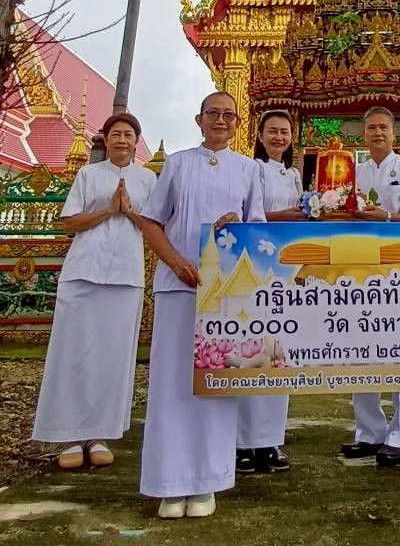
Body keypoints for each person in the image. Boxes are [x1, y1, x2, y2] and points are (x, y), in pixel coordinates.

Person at [139, 92, 265, 520]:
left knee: (215, 384)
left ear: (237, 122)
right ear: (199, 119)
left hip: (226, 292)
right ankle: (169, 483)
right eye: (213, 113)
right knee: (173, 384)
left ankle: (208, 479)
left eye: (229, 115)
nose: (221, 121)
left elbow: (260, 232)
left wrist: (239, 226)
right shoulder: (177, 163)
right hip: (179, 285)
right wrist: (175, 262)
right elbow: (152, 222)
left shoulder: (249, 169)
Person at [32, 112, 155, 470]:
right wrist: (107, 210)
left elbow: (153, 226)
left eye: (128, 135)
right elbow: (70, 223)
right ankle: (69, 435)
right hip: (83, 272)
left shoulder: (147, 179)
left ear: (136, 142)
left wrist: (129, 211)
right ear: (105, 139)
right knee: (73, 353)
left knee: (112, 357)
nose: (122, 141)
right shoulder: (88, 175)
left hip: (125, 276)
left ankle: (99, 433)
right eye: (115, 134)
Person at [340, 105, 400, 468]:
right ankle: (369, 431)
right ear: (363, 134)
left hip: (398, 266)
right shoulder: (352, 172)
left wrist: (387, 217)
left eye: (383, 128)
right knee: (362, 347)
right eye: (371, 128)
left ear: (395, 134)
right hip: (359, 265)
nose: (377, 133)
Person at [237, 108, 304, 476]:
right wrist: (291, 214)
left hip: (287, 263)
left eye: (284, 132)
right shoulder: (253, 171)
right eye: (272, 131)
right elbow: (254, 213)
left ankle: (270, 439)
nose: (279, 137)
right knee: (250, 348)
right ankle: (243, 443)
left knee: (280, 351)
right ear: (259, 136)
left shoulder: (293, 174)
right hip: (257, 261)